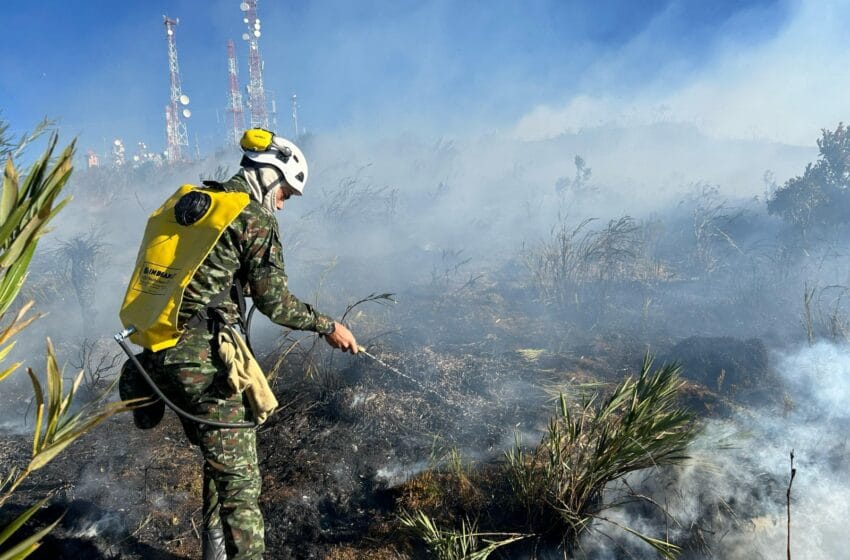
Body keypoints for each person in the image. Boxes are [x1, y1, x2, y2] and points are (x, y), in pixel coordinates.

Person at [119, 129, 358, 559]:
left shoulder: (195, 203)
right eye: (285, 191)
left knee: (218, 457)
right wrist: (328, 326)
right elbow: (276, 304)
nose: (283, 202)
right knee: (242, 485)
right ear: (269, 176)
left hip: (155, 355)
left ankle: (215, 553)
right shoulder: (252, 217)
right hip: (204, 362)